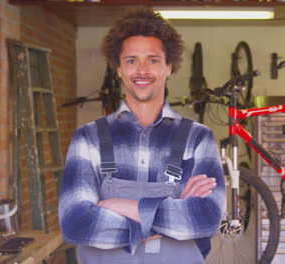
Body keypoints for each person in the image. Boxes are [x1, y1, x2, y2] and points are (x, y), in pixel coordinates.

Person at [58, 9, 226, 263]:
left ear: (169, 67)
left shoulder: (198, 138)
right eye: (132, 60)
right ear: (119, 69)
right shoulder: (88, 138)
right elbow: (75, 222)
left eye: (153, 60)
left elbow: (206, 219)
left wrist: (123, 206)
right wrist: (172, 213)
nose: (142, 70)